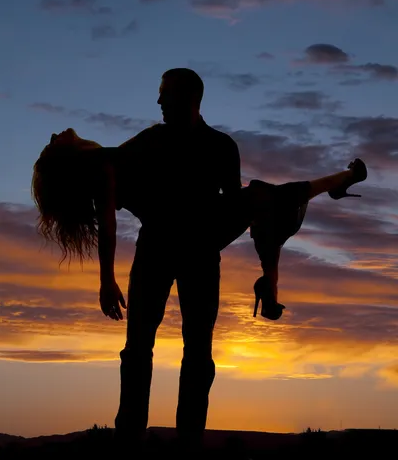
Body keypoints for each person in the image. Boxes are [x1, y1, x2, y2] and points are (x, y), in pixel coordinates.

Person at [31, 68, 367, 454]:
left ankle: (188, 445)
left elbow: (236, 211)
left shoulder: (221, 147)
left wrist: (256, 257)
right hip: (158, 247)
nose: (157, 102)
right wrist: (106, 279)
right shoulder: (139, 146)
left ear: (189, 98)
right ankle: (129, 443)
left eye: (164, 94)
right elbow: (107, 221)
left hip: (200, 248)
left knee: (197, 352)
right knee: (138, 350)